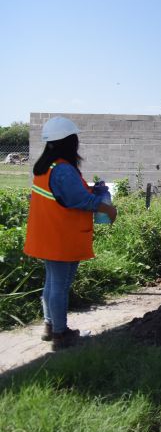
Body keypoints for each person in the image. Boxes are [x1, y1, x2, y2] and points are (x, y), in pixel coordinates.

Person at [23, 117, 117, 349]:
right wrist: (107, 208)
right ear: (69, 142)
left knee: (52, 283)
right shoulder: (64, 169)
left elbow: (66, 195)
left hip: (48, 235)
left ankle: (50, 326)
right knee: (60, 286)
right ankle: (60, 334)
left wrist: (92, 190)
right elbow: (79, 200)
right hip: (61, 238)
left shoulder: (46, 167)